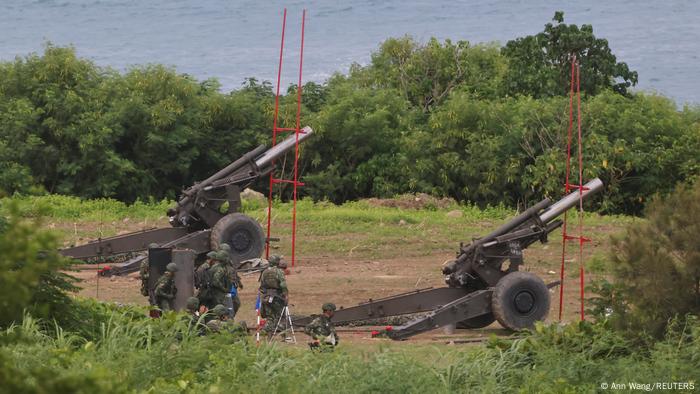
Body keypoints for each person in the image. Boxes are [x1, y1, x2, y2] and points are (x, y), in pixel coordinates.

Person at [258, 255, 288, 335]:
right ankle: (283, 335)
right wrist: (286, 296)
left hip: (266, 297)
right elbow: (283, 285)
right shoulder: (279, 271)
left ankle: (266, 332)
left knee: (270, 317)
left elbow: (262, 285)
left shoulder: (264, 272)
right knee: (281, 316)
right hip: (277, 297)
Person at [218, 243, 243, 317]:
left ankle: (230, 318)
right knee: (226, 306)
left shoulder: (229, 261)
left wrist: (239, 282)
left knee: (237, 303)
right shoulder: (218, 262)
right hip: (224, 288)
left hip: (232, 286)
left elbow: (233, 272)